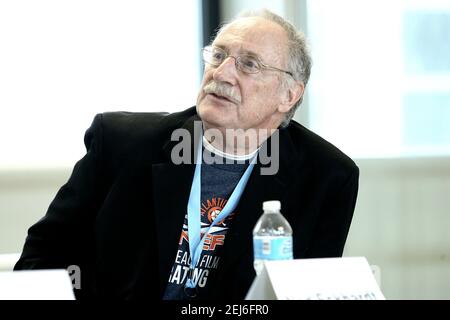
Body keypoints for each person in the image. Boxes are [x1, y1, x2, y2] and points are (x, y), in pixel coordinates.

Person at [14, 9, 359, 300]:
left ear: (289, 95)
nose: (221, 74)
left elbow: (310, 291)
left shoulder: (326, 176)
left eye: (249, 64)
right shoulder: (121, 145)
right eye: (219, 55)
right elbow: (41, 260)